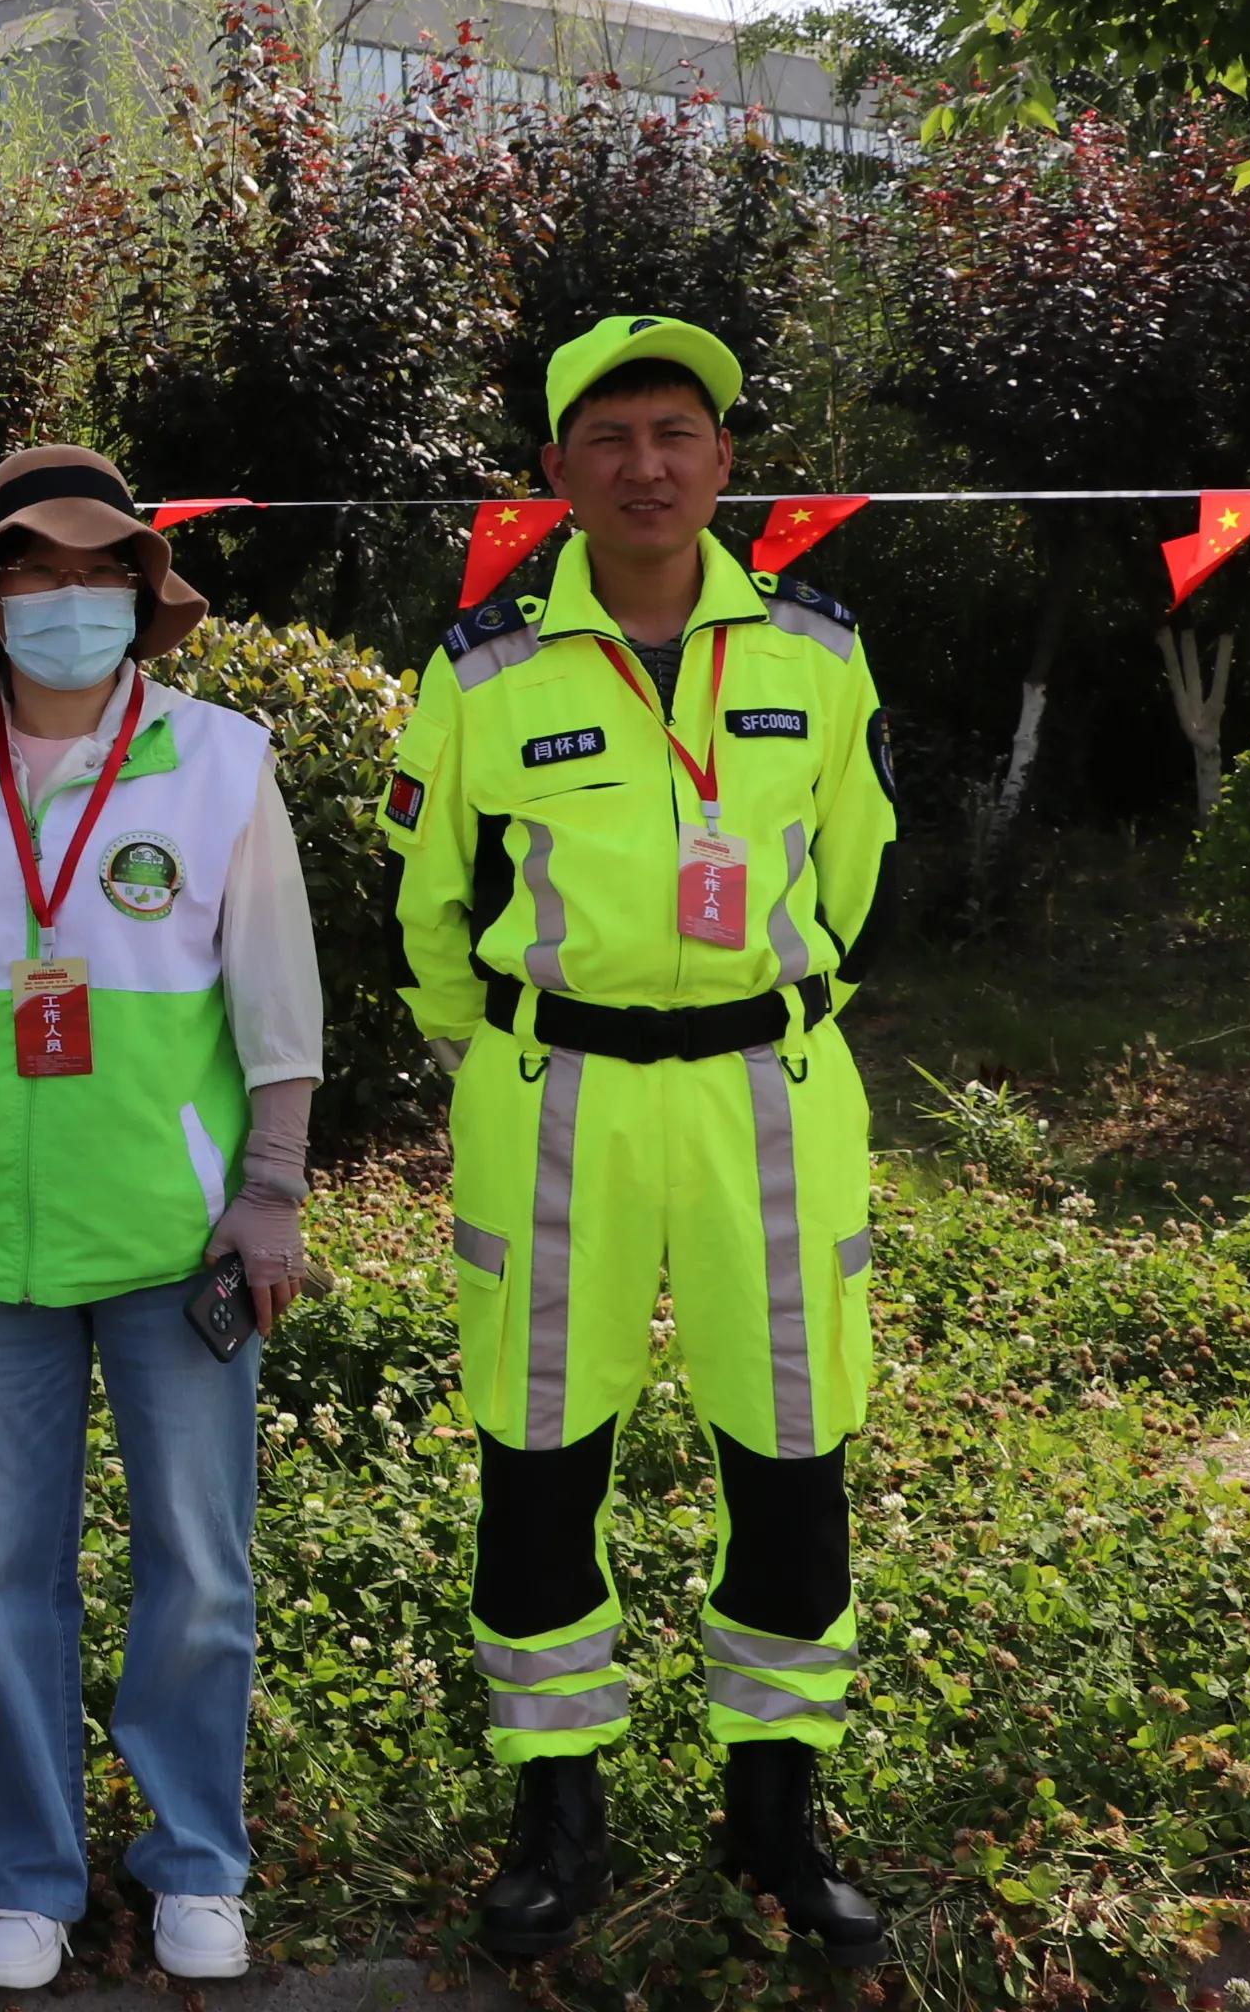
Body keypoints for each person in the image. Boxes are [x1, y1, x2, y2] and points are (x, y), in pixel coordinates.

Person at [379, 316, 898, 1967]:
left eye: (679, 431)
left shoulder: (820, 654)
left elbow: (860, 871)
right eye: (608, 439)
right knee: (539, 1454)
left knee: (792, 1447)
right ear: (554, 476)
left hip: (768, 1096)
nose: (648, 464)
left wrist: (758, 1006)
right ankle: (558, 1803)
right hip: (558, 1103)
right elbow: (428, 905)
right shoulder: (482, 665)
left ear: (726, 461)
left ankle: (778, 1798)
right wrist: (513, 1051)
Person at [0, 447, 324, 1989]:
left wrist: (268, 1192)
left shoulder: (220, 761)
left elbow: (278, 999)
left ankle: (197, 1857)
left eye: (98, 572)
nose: (66, 599)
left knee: (198, 1565)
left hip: (177, 1233)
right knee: (4, 1564)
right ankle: (30, 1871)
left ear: (142, 595)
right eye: (31, 569)